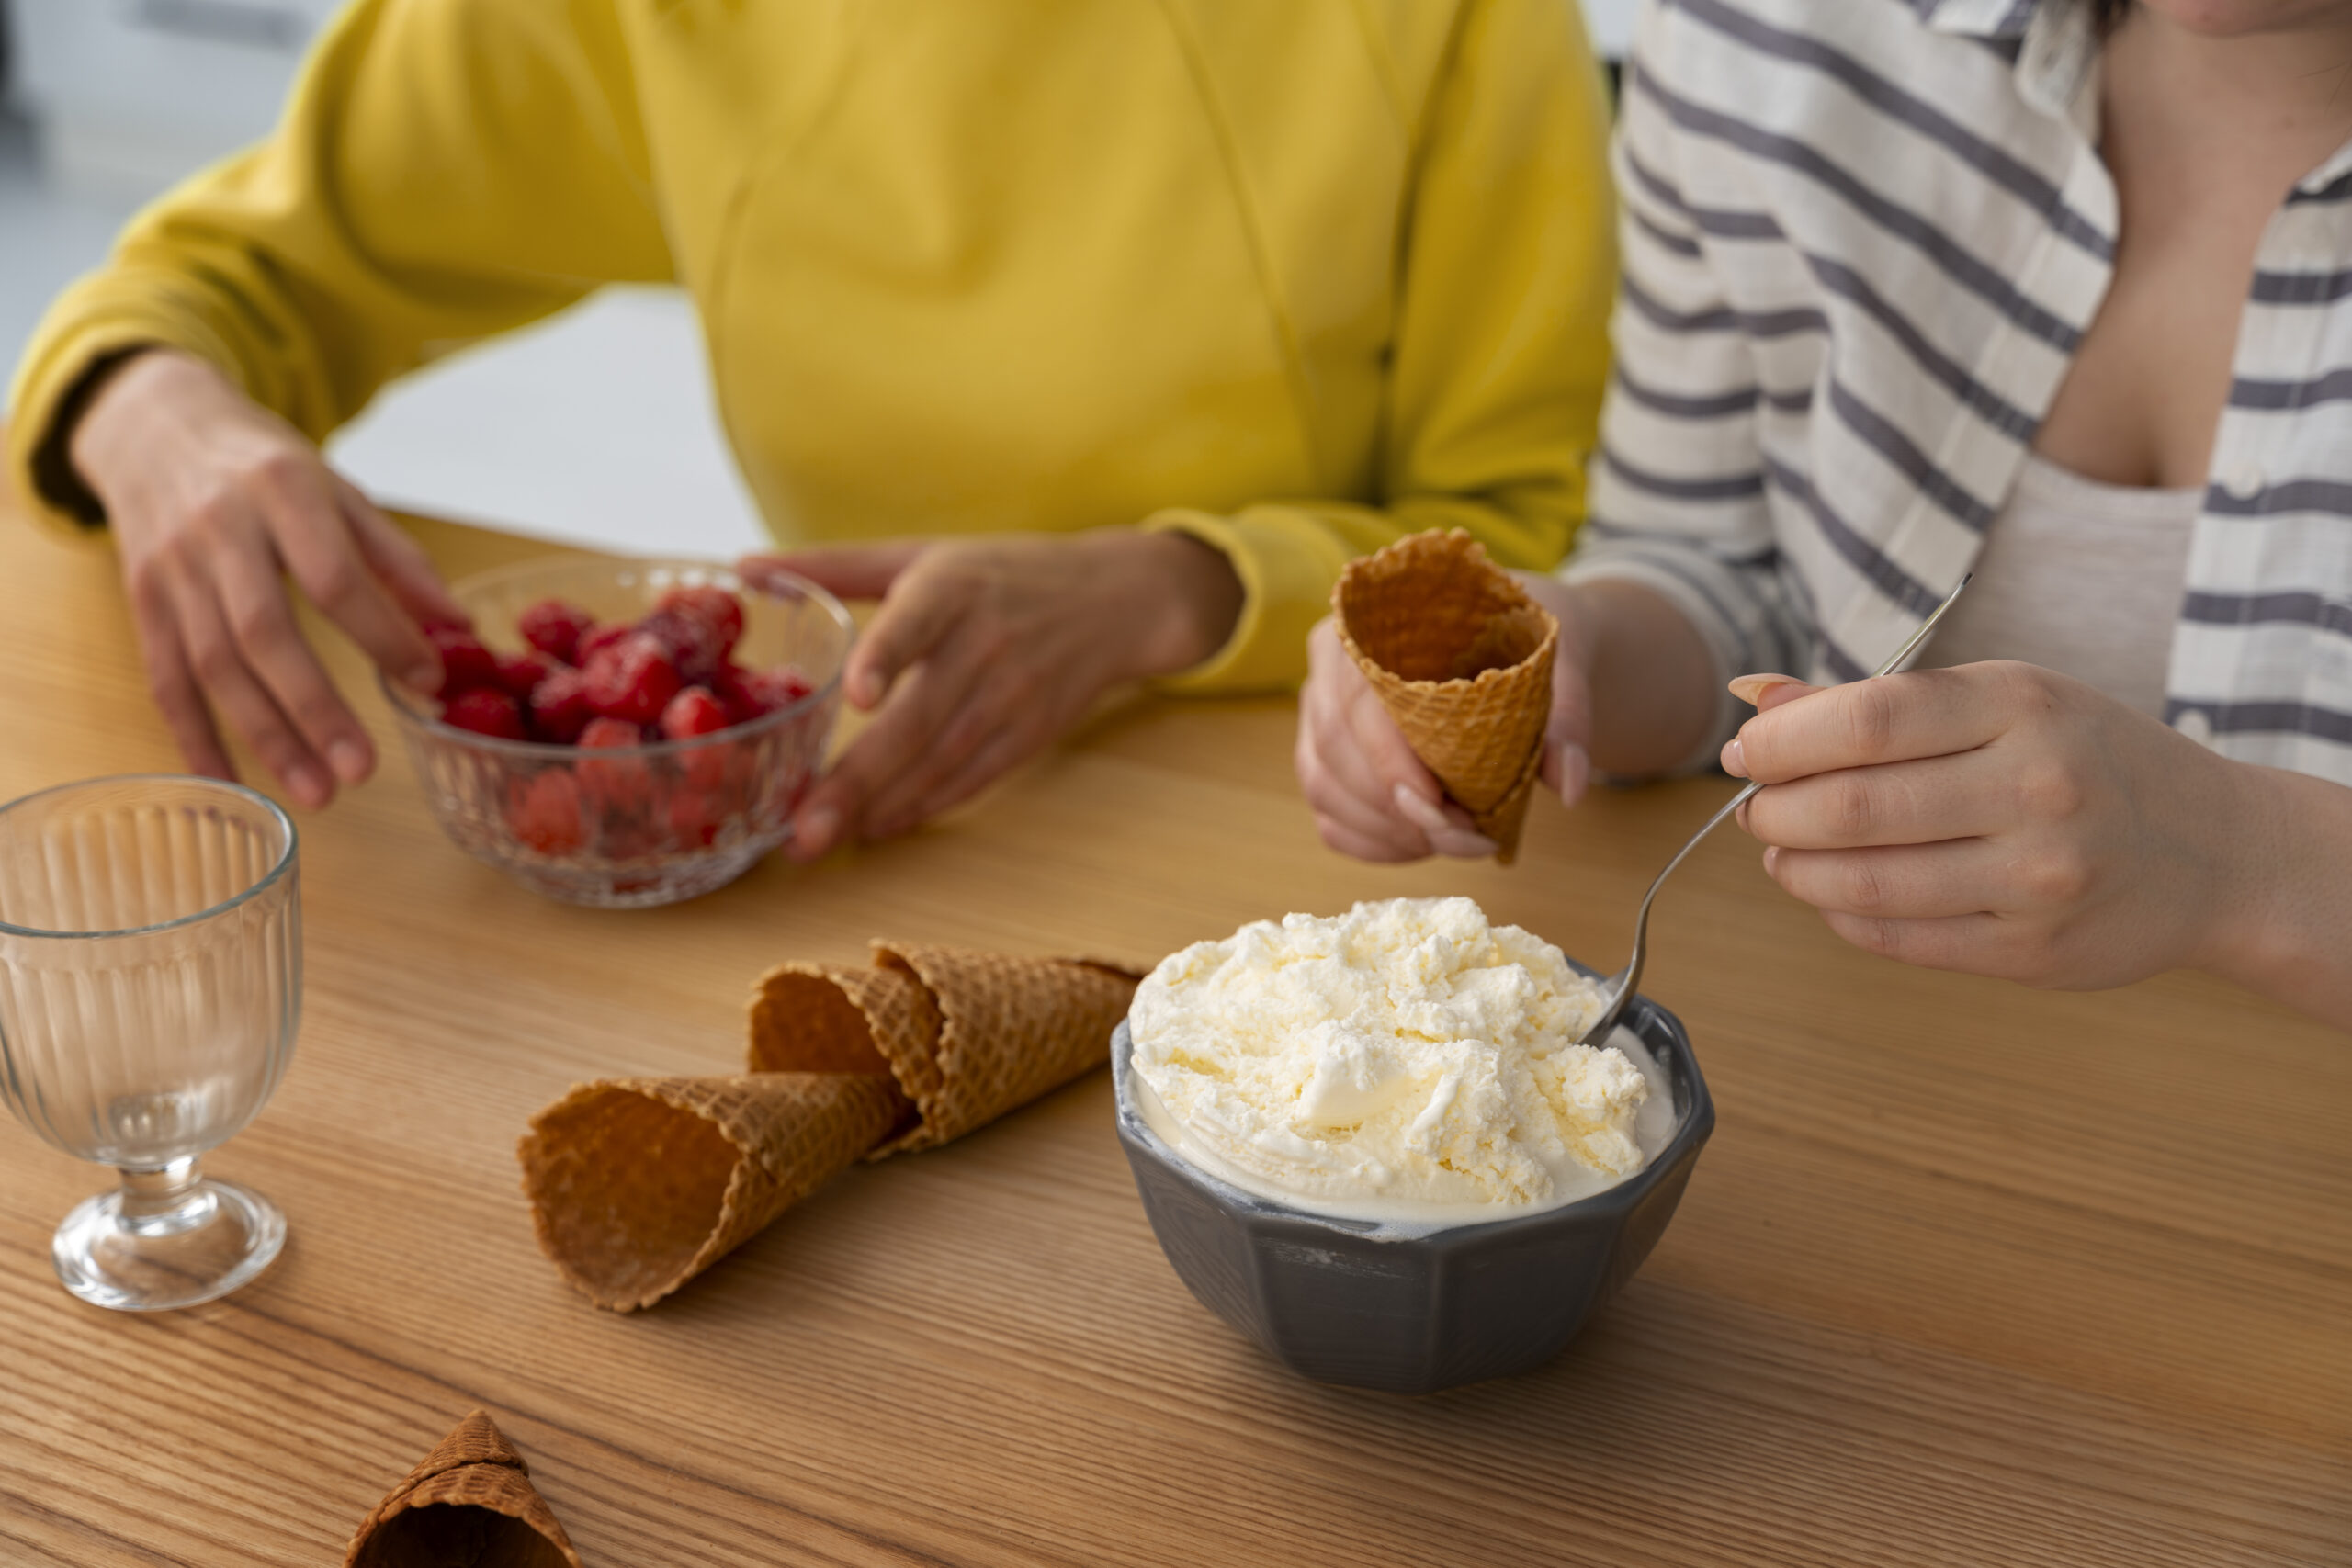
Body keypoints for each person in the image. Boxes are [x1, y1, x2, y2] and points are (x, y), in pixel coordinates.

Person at [6, 0, 1615, 861]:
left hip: (1328, 843)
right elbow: (203, 287)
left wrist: (1166, 589)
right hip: (869, 844)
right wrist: (152, 410)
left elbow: (1540, 541)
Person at [1298, 0, 2352, 1030]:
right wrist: (1564, 654)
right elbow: (1716, 571)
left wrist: (2235, 861)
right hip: (1885, 1066)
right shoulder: (1763, 33)